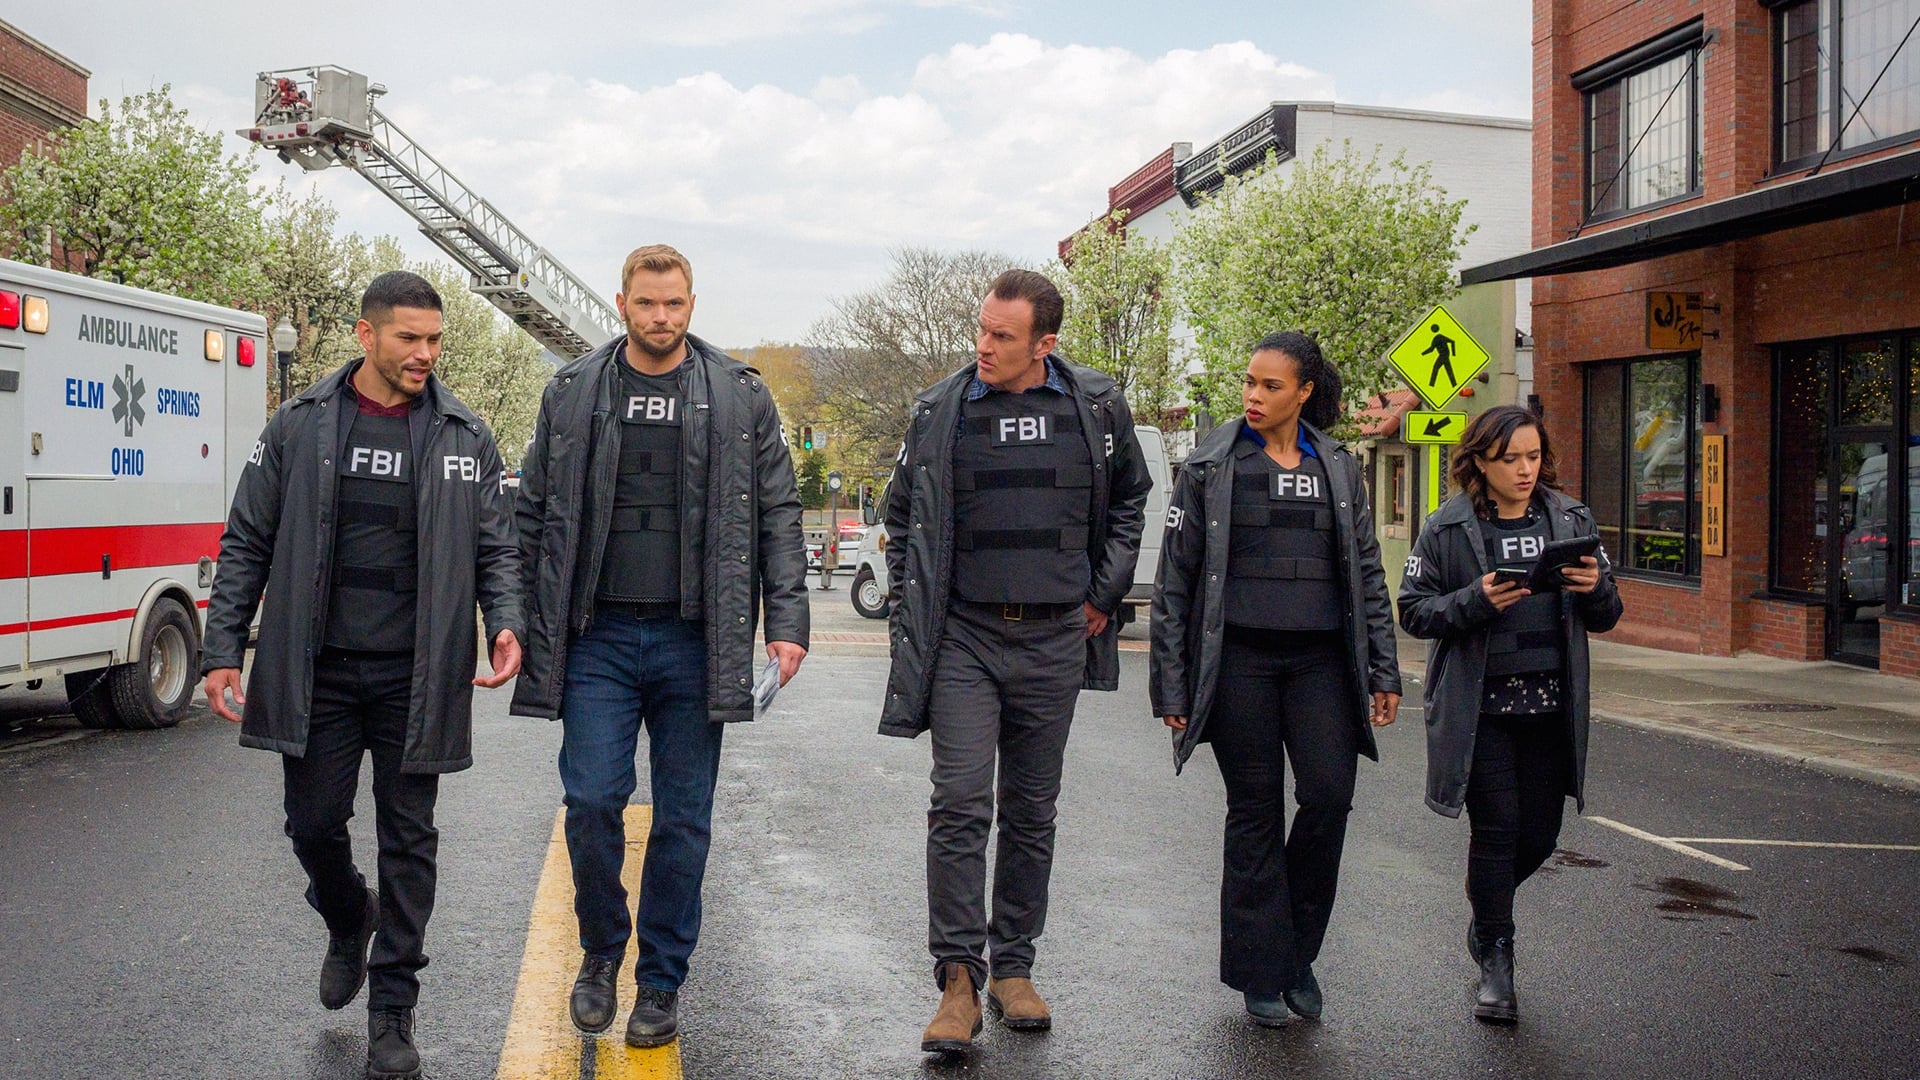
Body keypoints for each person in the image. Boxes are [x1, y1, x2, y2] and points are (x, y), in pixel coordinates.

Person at [201, 271, 523, 1080]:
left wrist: (506, 621)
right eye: (409, 338)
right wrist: (221, 647)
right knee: (312, 826)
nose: (425, 353)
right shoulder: (299, 425)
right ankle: (348, 915)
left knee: (409, 839)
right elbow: (246, 539)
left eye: (435, 339)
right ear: (366, 335)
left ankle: (392, 1010)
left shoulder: (465, 435)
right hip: (319, 673)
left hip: (420, 674)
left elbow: (497, 546)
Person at [511, 244, 809, 1049]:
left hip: (694, 638)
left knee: (683, 819)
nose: (661, 317)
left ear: (692, 305)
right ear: (621, 304)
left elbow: (778, 511)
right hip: (597, 638)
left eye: (674, 303)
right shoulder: (573, 392)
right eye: (646, 303)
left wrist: (788, 621)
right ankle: (601, 950)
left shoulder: (740, 395)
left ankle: (660, 982)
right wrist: (513, 616)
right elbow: (531, 512)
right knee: (592, 800)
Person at [880, 268, 1153, 1056]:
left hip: (1055, 637)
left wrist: (1102, 593)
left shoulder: (1096, 406)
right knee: (960, 803)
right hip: (964, 638)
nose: (984, 345)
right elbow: (902, 515)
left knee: (1032, 811)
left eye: (1002, 336)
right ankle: (958, 983)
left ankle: (1014, 969)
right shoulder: (941, 409)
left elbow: (1129, 500)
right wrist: (909, 612)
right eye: (982, 329)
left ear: (1045, 343)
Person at [1149, 331, 1400, 1027]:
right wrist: (1172, 683)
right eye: (1249, 383)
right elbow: (1176, 582)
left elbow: (1367, 573)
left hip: (1322, 664)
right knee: (1255, 812)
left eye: (1270, 386)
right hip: (1240, 665)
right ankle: (1263, 970)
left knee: (1329, 797)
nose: (1253, 396)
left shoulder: (1340, 467)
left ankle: (1294, 952)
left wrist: (1384, 667)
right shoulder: (1211, 466)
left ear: (1305, 392)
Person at [1396, 404, 1621, 1024]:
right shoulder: (1447, 527)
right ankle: (1497, 960)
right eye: (1510, 459)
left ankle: (1485, 910)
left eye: (1533, 456)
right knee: (1496, 831)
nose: (1525, 470)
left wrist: (1595, 589)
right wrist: (1476, 599)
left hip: (1551, 708)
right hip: (1482, 710)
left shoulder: (1570, 519)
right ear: (1480, 462)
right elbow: (1413, 610)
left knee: (1540, 836)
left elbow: (1607, 613)